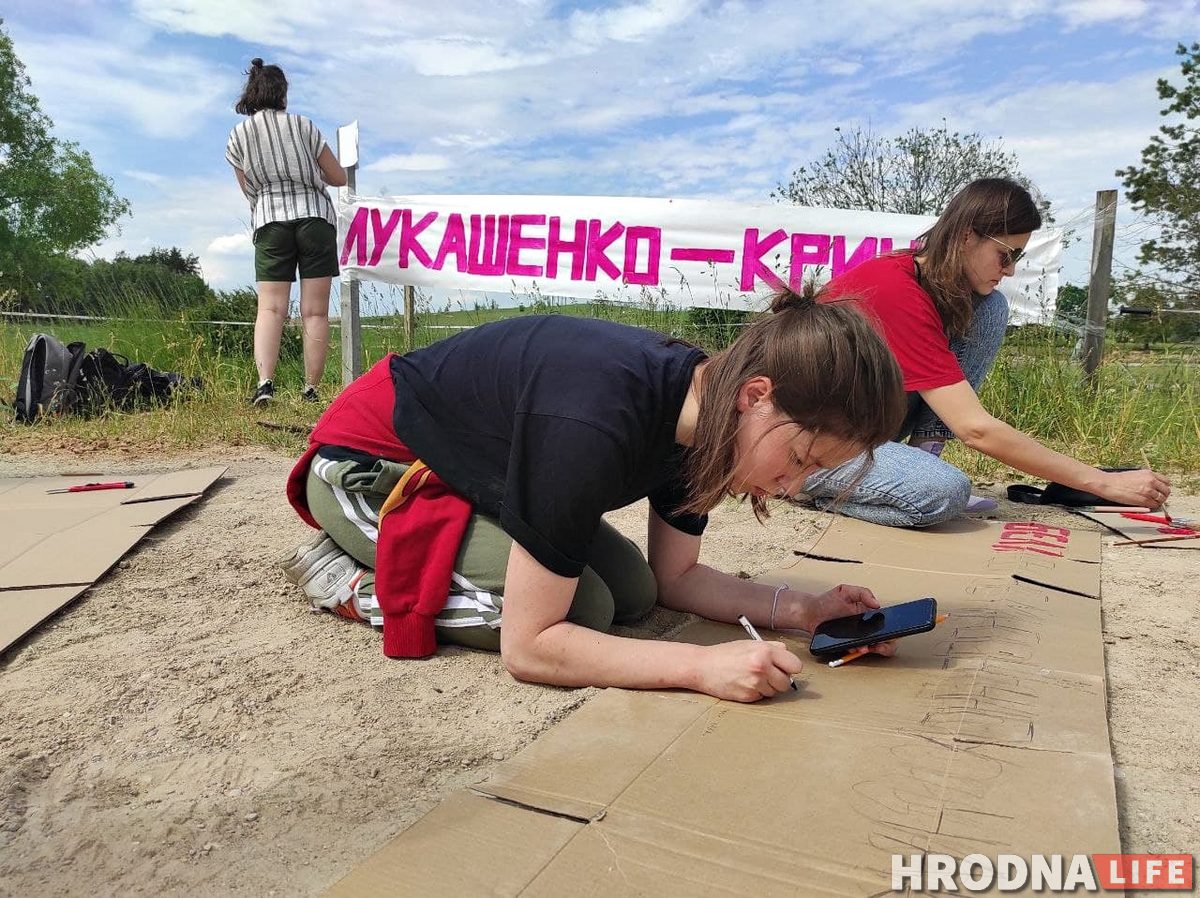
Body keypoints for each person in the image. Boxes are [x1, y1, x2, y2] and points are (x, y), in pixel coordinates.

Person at [279, 294, 906, 702]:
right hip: (375, 466)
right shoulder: (593, 420)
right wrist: (698, 667)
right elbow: (530, 648)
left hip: (480, 469)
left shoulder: (706, 412)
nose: (792, 487)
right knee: (583, 613)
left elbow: (677, 578)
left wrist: (803, 610)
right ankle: (351, 579)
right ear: (755, 396)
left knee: (632, 593)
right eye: (799, 459)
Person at [802, 177, 1171, 527]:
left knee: (990, 306)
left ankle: (923, 458)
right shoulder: (895, 290)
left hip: (860, 425)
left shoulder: (933, 283)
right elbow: (975, 429)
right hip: (812, 442)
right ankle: (805, 486)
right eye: (1005, 255)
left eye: (1017, 257)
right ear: (967, 236)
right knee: (943, 492)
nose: (1009, 270)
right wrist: (1103, 483)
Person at [225, 58, 347, 405]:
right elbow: (338, 177)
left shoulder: (238, 136)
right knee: (315, 311)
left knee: (270, 309)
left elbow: (247, 189)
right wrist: (310, 174)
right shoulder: (304, 126)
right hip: (315, 219)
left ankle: (265, 384)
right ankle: (311, 390)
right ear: (282, 93)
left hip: (270, 220)